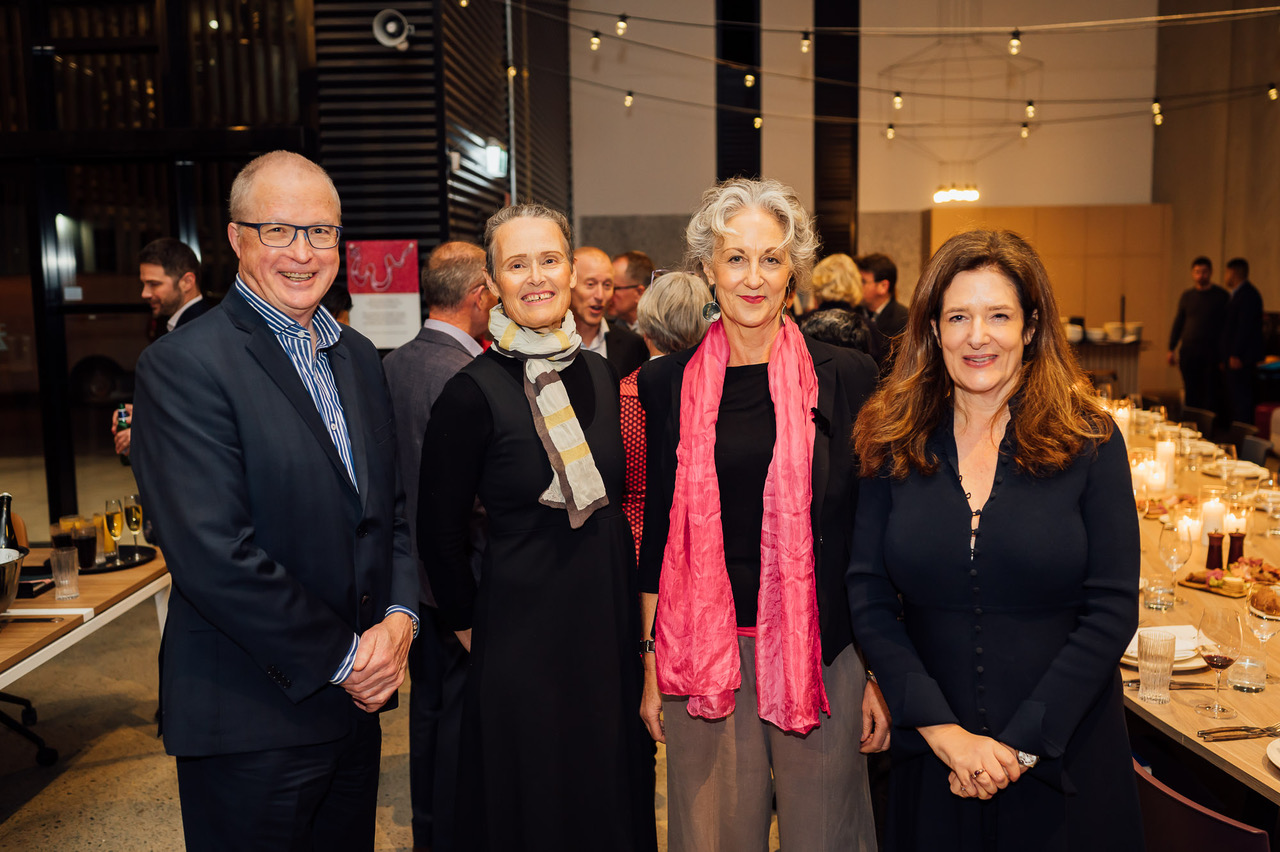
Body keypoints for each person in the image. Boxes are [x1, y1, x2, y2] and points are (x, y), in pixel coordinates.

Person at [130, 150, 419, 852]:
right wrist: (351, 660)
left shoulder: (356, 355)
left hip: (353, 715)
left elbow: (394, 513)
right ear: (235, 239)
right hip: (250, 719)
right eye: (278, 231)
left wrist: (401, 621)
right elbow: (213, 555)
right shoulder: (184, 366)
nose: (303, 252)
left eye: (320, 232)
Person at [847, 229, 1142, 851]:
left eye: (998, 315)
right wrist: (943, 734)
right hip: (934, 761)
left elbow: (1112, 608)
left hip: (1066, 757)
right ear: (933, 329)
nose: (978, 336)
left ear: (1031, 328)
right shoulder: (890, 437)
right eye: (958, 316)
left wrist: (1020, 745)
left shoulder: (1090, 440)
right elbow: (869, 597)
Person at [638, 177, 887, 852]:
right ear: (707, 269)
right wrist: (648, 666)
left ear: (793, 273)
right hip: (700, 657)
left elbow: (872, 536)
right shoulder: (665, 382)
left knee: (826, 837)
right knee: (712, 837)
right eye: (736, 257)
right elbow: (659, 529)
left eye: (771, 258)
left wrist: (876, 673)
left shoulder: (849, 375)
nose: (753, 277)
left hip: (822, 655)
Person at [418, 204, 652, 852]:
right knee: (535, 814)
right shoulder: (471, 393)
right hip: (520, 651)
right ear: (492, 281)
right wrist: (480, 634)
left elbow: (624, 505)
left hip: (605, 638)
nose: (537, 277)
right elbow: (436, 534)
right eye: (517, 264)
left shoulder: (603, 374)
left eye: (548, 260)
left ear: (572, 268)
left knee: (606, 803)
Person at [383, 240, 495, 852]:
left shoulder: (394, 362)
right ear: (478, 297)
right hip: (460, 572)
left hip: (411, 578)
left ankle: (428, 827)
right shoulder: (463, 375)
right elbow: (470, 495)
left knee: (427, 714)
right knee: (458, 716)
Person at [620, 270, 711, 560]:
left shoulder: (624, 396)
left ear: (647, 326)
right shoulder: (719, 392)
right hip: (705, 548)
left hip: (636, 544)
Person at [113, 238, 213, 458]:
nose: (145, 294)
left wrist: (142, 433)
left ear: (187, 281)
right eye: (144, 284)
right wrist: (143, 415)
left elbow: (206, 415)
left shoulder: (197, 333)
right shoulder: (184, 325)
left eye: (154, 284)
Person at [571, 245, 649, 378]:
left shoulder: (633, 346)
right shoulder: (547, 344)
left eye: (607, 285)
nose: (600, 295)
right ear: (569, 283)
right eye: (590, 284)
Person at [1167, 255, 1228, 412]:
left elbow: (1227, 327)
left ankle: (1208, 428)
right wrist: (1171, 347)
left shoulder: (1221, 296)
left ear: (1211, 273)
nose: (1201, 275)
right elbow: (1179, 322)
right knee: (1191, 390)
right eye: (1197, 272)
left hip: (1211, 352)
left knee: (1210, 391)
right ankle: (1192, 424)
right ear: (1192, 274)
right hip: (1189, 350)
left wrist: (1224, 355)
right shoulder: (1187, 296)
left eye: (1204, 272)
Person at [1221, 257, 1264, 424]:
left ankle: (1242, 439)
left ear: (1233, 272)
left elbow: (1244, 327)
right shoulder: (1237, 294)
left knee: (1242, 400)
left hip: (1241, 358)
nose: (1225, 276)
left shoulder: (1248, 295)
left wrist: (1235, 354)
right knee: (1235, 399)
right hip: (1235, 356)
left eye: (1226, 272)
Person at [857, 251, 909, 340]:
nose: (857, 285)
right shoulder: (853, 314)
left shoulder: (905, 320)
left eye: (863, 282)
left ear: (883, 286)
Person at [611, 249, 655, 331]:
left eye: (614, 288)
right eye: (607, 286)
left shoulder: (659, 332)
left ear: (639, 293)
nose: (607, 294)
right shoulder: (610, 330)